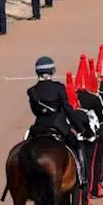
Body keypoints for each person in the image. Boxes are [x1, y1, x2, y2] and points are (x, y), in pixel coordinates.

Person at [26, 57, 89, 189]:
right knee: (78, 147)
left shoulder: (32, 91)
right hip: (58, 126)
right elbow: (67, 109)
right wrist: (80, 128)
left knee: (25, 148)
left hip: (39, 127)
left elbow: (35, 112)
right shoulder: (59, 88)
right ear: (52, 71)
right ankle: (82, 177)